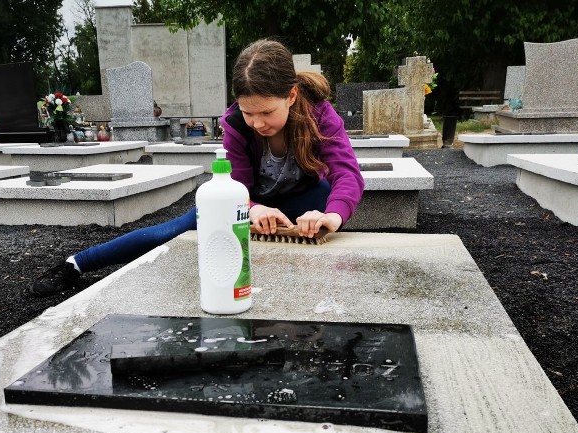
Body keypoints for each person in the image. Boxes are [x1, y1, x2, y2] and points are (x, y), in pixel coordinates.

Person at [28, 38, 364, 297]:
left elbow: (346, 173)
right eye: (250, 112)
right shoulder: (236, 123)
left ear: (291, 96)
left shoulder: (318, 115)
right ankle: (78, 263)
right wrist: (254, 208)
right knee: (173, 230)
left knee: (324, 200)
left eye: (266, 112)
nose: (257, 122)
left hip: (301, 199)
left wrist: (331, 216)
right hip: (246, 202)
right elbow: (236, 186)